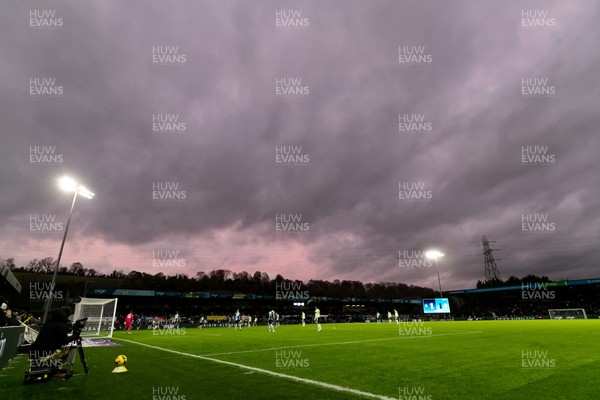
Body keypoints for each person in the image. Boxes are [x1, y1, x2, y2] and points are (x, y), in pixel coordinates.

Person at [30, 307, 79, 374]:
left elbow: (56, 332)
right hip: (45, 353)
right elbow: (64, 341)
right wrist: (75, 336)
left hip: (35, 351)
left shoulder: (49, 322)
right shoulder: (61, 325)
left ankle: (51, 366)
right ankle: (56, 368)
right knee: (70, 349)